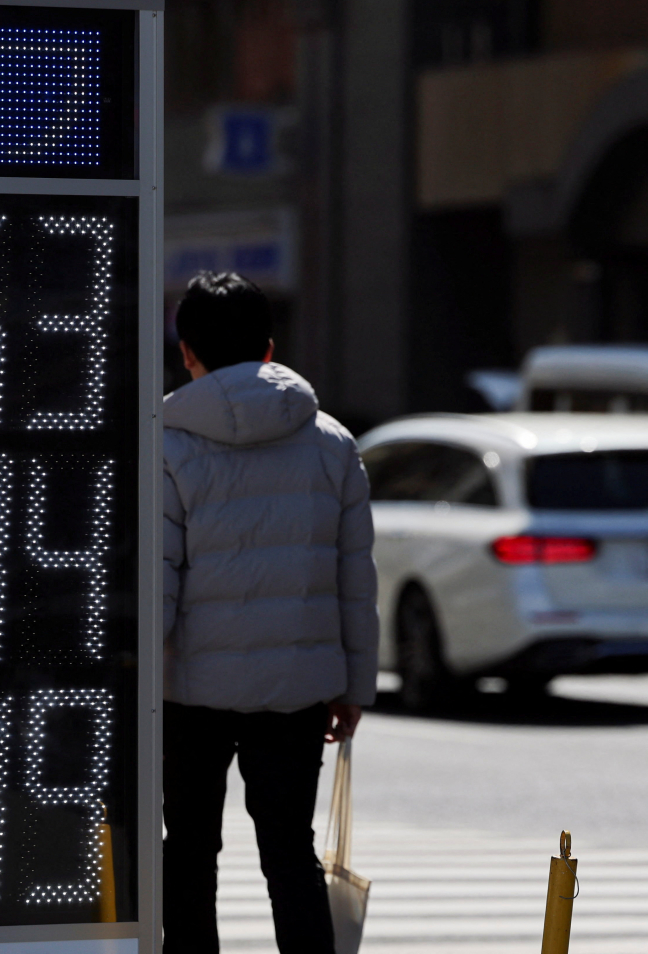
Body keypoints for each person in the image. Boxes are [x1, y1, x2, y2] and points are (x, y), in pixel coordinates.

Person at [162, 271, 379, 954]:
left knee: (190, 849)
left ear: (185, 351)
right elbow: (355, 581)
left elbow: (159, 580)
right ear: (269, 348)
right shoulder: (334, 444)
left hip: (187, 691)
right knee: (290, 855)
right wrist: (353, 687)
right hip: (297, 689)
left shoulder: (166, 443)